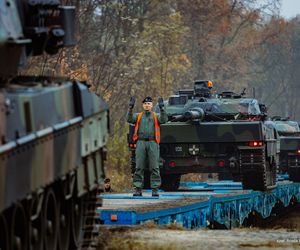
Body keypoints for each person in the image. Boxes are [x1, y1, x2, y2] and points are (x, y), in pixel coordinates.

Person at [126, 96, 168, 197]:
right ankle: (138, 189)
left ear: (152, 105)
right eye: (145, 104)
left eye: (149, 104)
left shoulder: (155, 116)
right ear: (143, 105)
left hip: (153, 142)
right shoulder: (139, 116)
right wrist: (130, 108)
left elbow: (164, 120)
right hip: (140, 143)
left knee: (154, 167)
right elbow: (129, 119)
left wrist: (162, 109)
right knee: (139, 166)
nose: (147, 105)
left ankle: (155, 189)